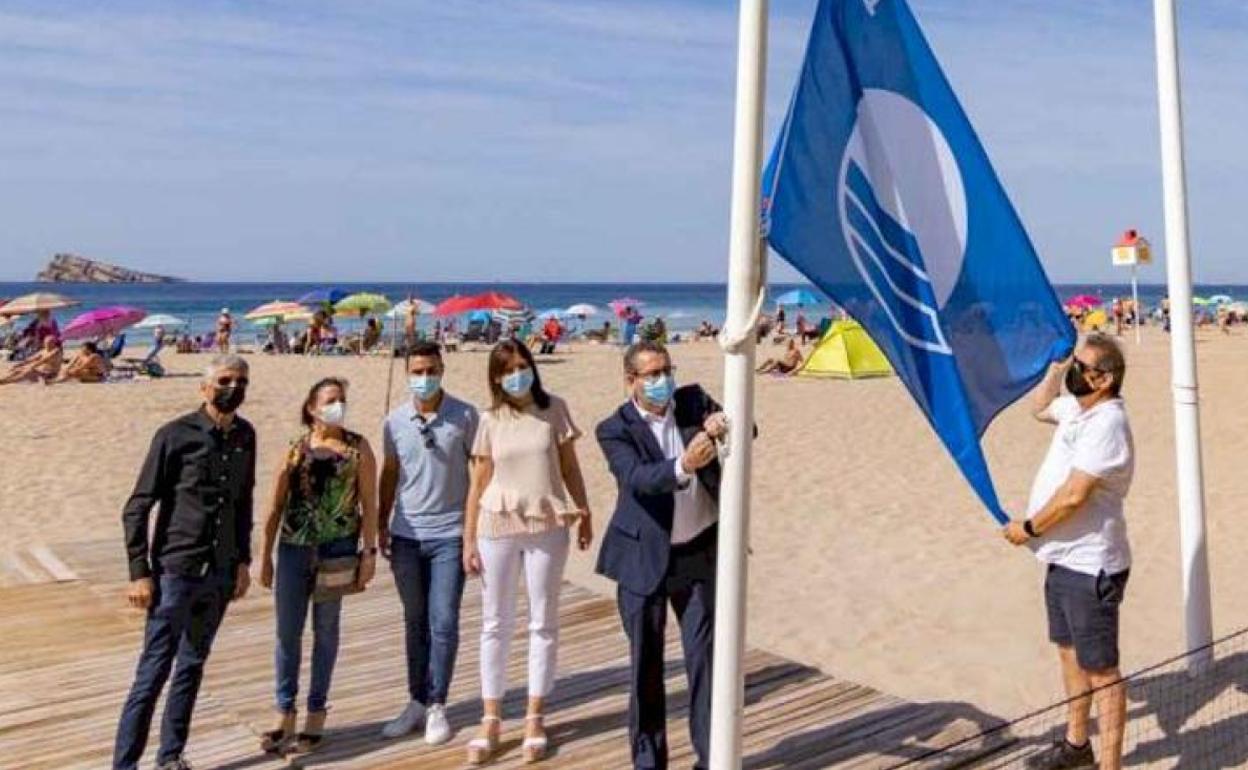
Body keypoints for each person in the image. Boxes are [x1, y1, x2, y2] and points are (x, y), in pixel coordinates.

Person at [114, 355, 256, 770]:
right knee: (153, 671)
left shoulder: (245, 435)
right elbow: (137, 507)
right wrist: (139, 572)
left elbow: (243, 501)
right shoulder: (175, 436)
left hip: (221, 572)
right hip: (176, 571)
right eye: (225, 381)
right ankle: (124, 764)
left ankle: (171, 756)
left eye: (241, 381)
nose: (233, 388)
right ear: (205, 387)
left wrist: (243, 561)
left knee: (192, 666)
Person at [595, 340, 730, 770]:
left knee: (705, 661)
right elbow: (636, 478)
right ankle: (650, 762)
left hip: (697, 557)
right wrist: (683, 466)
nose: (662, 381)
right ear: (631, 381)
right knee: (646, 670)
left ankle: (711, 758)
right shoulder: (614, 428)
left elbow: (747, 428)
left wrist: (724, 423)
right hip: (642, 562)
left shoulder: (692, 401)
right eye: (651, 375)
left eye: (665, 370)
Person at [1003, 334, 1134, 770]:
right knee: (1068, 652)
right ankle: (1077, 745)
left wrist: (1029, 527)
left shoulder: (1108, 422)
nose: (1077, 372)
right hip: (1061, 558)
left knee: (1102, 671)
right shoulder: (1078, 409)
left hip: (1091, 563)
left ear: (1105, 378)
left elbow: (1075, 495)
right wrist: (1058, 367)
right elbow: (1039, 407)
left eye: (1083, 367)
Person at [462, 340, 594, 764]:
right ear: (496, 377)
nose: (519, 374)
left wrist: (584, 510)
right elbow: (478, 482)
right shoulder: (490, 419)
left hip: (548, 521)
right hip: (496, 523)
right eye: (509, 369)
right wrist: (467, 539)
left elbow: (570, 466)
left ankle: (535, 716)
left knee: (543, 620)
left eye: (524, 365)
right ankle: (491, 717)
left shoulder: (554, 409)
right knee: (495, 622)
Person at [255, 377, 378, 755]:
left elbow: (369, 504)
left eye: (341, 400)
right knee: (287, 632)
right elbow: (275, 505)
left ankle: (316, 711)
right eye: (329, 400)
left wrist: (368, 554)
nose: (336, 406)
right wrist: (265, 556)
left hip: (338, 549)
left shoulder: (358, 448)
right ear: (311, 407)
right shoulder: (296, 449)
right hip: (294, 548)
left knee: (326, 631)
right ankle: (284, 710)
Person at [378, 343, 479, 744]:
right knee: (414, 621)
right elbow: (389, 472)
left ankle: (438, 703)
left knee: (444, 621)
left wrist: (474, 531)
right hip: (406, 534)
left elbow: (480, 472)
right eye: (417, 370)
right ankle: (416, 700)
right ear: (407, 372)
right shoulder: (394, 421)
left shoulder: (466, 415)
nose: (424, 377)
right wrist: (380, 524)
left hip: (450, 535)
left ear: (442, 369)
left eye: (431, 369)